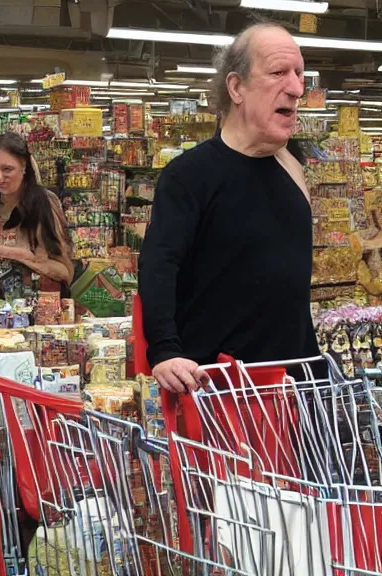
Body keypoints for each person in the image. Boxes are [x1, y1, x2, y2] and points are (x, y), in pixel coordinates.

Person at [138, 22, 320, 394]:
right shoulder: (189, 176)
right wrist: (165, 352)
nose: (297, 88)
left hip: (295, 388)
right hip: (218, 394)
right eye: (278, 73)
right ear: (236, 87)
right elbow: (158, 267)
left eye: (300, 74)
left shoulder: (292, 164)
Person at [0, 132, 74, 295]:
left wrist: (16, 255)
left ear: (24, 167)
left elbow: (65, 271)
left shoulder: (44, 204)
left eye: (7, 169)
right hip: (1, 310)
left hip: (45, 307)